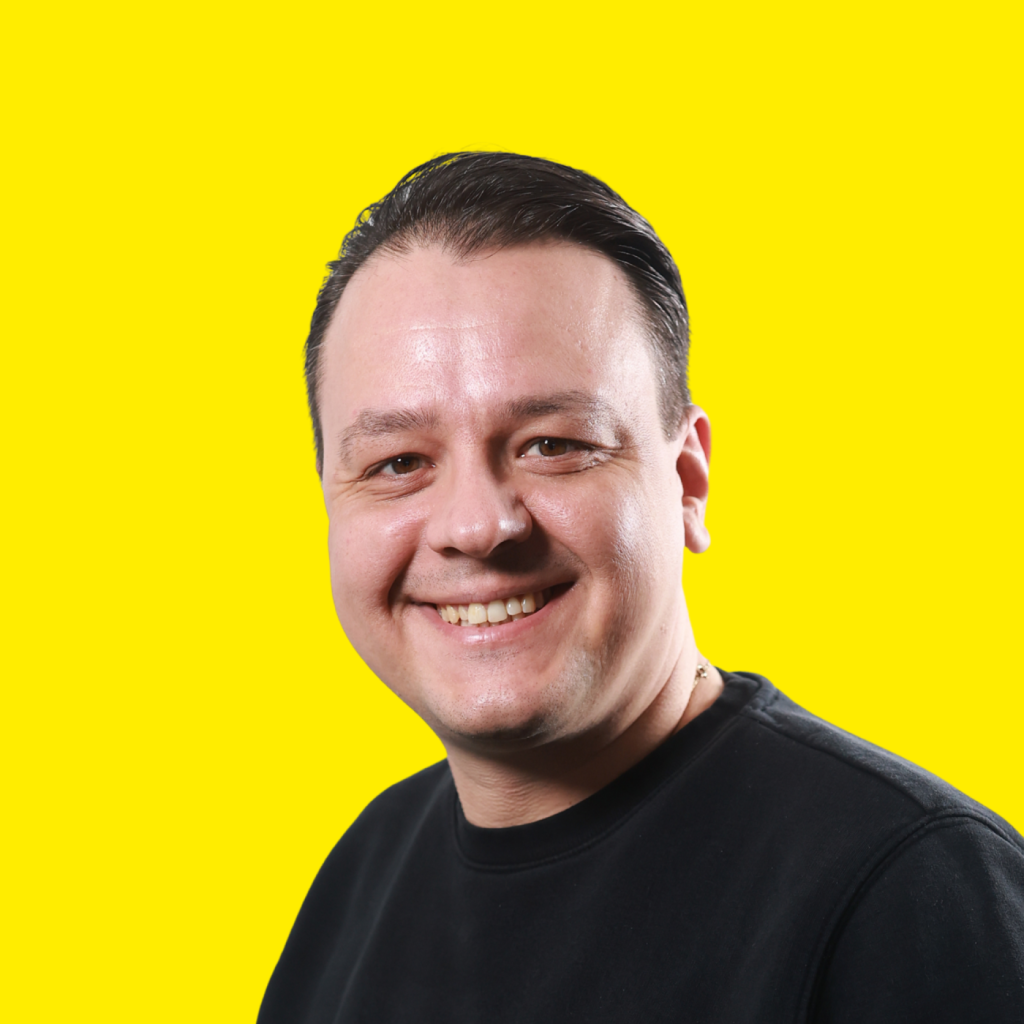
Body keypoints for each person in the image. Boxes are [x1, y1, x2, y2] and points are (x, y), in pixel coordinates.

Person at [258, 152, 1024, 1023]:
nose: (476, 525)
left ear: (688, 481)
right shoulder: (362, 877)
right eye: (398, 463)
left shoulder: (909, 895)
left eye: (554, 444)